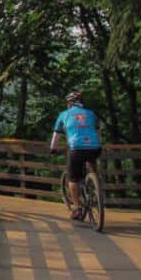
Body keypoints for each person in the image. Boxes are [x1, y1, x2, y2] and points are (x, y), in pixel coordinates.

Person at [49, 91, 102, 220]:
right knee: (91, 164)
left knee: (73, 178)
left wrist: (53, 149)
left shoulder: (64, 115)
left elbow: (57, 135)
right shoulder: (91, 114)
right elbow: (98, 132)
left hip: (76, 148)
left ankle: (77, 208)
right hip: (94, 147)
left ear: (69, 103)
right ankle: (96, 186)